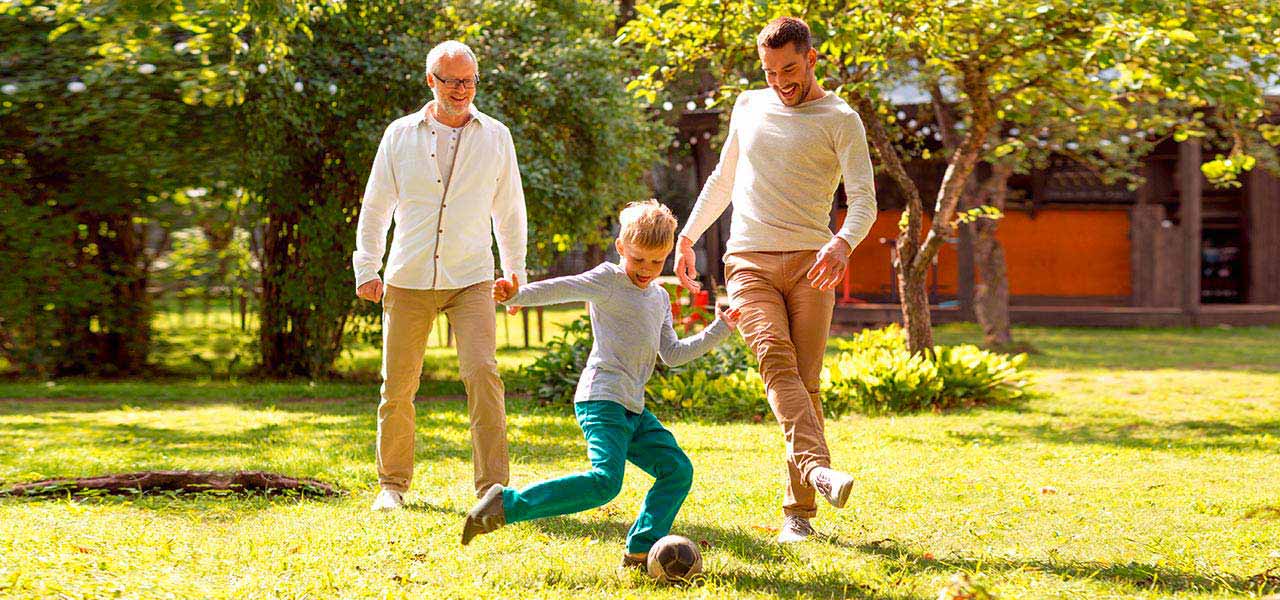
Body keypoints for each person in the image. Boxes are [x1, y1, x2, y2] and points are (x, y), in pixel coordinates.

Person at [673, 16, 879, 543]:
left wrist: (841, 243)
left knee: (805, 386)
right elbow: (723, 179)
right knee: (775, 362)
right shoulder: (749, 105)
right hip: (748, 261)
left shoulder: (841, 119)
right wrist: (688, 235)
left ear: (812, 59)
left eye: (789, 69)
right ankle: (817, 472)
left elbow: (864, 203)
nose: (780, 82)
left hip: (813, 263)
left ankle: (799, 514)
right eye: (769, 72)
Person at [461, 201, 742, 569]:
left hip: (633, 408)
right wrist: (516, 295)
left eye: (656, 262)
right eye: (638, 260)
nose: (646, 270)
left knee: (677, 470)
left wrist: (720, 329)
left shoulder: (659, 297)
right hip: (601, 399)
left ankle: (641, 549)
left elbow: (672, 354)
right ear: (621, 247)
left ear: (668, 254)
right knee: (605, 482)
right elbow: (565, 287)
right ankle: (506, 505)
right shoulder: (609, 279)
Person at [353, 40, 528, 511]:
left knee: (483, 374)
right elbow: (375, 206)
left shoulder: (496, 136)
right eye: (451, 81)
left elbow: (509, 210)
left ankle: (493, 488)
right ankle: (392, 485)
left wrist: (515, 271)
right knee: (398, 385)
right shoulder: (399, 134)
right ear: (431, 80)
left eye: (469, 81)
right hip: (407, 277)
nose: (461, 90)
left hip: (471, 276)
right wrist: (367, 266)